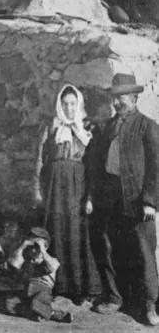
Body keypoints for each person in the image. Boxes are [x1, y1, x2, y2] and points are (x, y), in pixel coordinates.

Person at [87, 73, 159, 325]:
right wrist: (92, 196)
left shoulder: (147, 126)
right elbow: (95, 162)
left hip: (137, 198)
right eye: (114, 98)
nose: (116, 102)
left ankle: (150, 304)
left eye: (122, 97)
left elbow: (156, 167)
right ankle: (114, 296)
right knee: (109, 246)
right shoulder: (107, 127)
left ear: (135, 98)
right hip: (110, 196)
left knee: (143, 250)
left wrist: (150, 201)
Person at [34, 84, 101, 304]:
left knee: (76, 233)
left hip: (77, 187)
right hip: (54, 187)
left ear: (78, 105)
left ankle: (80, 288)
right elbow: (40, 159)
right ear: (59, 106)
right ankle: (57, 285)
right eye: (65, 104)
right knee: (56, 231)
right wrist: (37, 190)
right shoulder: (51, 127)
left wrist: (89, 197)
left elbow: (92, 167)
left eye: (73, 104)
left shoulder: (86, 129)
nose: (69, 108)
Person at [4, 227, 73, 323]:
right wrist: (22, 247)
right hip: (27, 293)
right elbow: (13, 265)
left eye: (36, 247)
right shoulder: (26, 261)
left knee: (36, 302)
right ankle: (38, 312)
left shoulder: (52, 260)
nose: (33, 250)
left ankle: (55, 314)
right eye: (30, 247)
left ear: (46, 247)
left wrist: (43, 251)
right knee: (9, 304)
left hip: (42, 292)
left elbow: (51, 268)